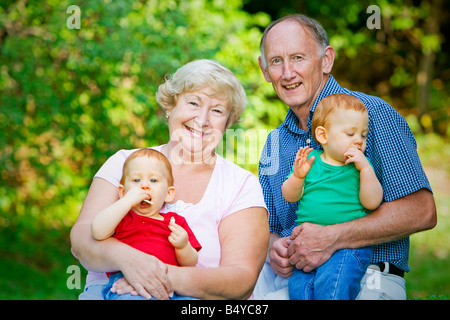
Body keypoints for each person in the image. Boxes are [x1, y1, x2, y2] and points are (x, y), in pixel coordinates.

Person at [254, 14, 436, 300]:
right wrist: (272, 247)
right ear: (265, 71)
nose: (287, 73)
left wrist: (332, 238)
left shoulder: (373, 114)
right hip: (294, 281)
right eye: (276, 61)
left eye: (298, 57)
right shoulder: (275, 142)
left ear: (326, 60)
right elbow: (266, 228)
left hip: (369, 278)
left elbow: (422, 211)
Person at [70, 59, 269, 300]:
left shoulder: (241, 185)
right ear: (170, 105)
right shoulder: (123, 163)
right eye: (193, 103)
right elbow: (81, 240)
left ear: (227, 124)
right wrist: (129, 260)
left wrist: (158, 275)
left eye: (217, 111)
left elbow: (241, 279)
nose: (202, 119)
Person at [284, 93, 383, 299]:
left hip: (347, 247)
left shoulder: (361, 167)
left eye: (363, 135)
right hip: (305, 245)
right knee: (299, 291)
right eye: (350, 133)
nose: (359, 141)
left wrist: (365, 169)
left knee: (333, 288)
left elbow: (372, 203)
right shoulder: (310, 161)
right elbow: (290, 196)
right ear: (323, 135)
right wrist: (297, 176)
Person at [91, 148, 202, 300]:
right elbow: (97, 230)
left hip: (170, 287)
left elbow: (190, 263)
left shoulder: (175, 222)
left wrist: (183, 246)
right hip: (128, 284)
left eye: (154, 180)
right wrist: (126, 202)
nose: (144, 186)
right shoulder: (121, 217)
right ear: (123, 192)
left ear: (168, 194)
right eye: (136, 180)